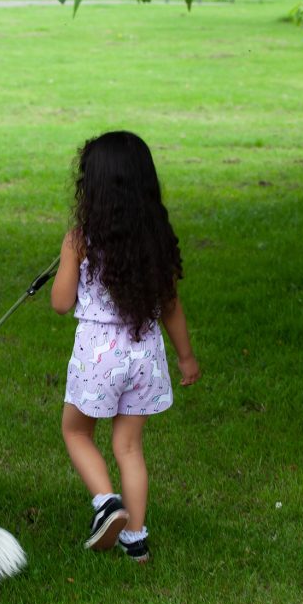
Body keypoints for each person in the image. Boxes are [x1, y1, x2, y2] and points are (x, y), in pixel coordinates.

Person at [51, 130, 201, 563]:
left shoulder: (79, 240)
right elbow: (170, 306)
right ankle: (135, 537)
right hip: (145, 354)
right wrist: (186, 357)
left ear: (91, 187)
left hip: (100, 356)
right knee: (129, 448)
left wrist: (68, 257)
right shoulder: (155, 238)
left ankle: (106, 503)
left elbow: (61, 304)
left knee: (76, 431)